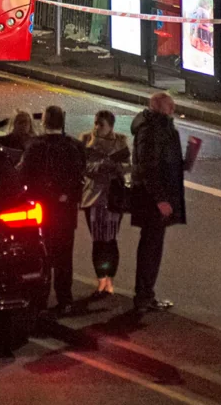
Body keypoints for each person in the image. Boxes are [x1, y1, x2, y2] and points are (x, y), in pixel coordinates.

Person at [20, 105, 86, 315]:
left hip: (41, 208)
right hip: (65, 211)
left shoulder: (35, 145)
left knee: (43, 255)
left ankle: (40, 301)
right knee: (64, 256)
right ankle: (64, 299)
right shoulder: (74, 146)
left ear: (44, 121)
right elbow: (79, 176)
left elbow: (24, 176)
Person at [130, 92, 185, 314]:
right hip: (151, 200)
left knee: (152, 246)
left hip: (155, 197)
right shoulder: (151, 129)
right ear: (159, 107)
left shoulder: (160, 126)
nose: (173, 109)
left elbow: (164, 160)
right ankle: (143, 296)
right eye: (170, 106)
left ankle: (146, 294)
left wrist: (184, 162)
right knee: (151, 248)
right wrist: (161, 199)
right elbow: (148, 167)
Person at [80, 110, 131, 298]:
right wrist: (101, 165)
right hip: (93, 196)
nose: (96, 127)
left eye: (101, 124)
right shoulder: (86, 140)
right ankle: (101, 278)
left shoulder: (120, 141)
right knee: (98, 240)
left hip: (113, 197)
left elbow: (127, 166)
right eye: (95, 123)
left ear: (110, 126)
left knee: (110, 239)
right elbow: (83, 166)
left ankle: (110, 278)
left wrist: (116, 167)